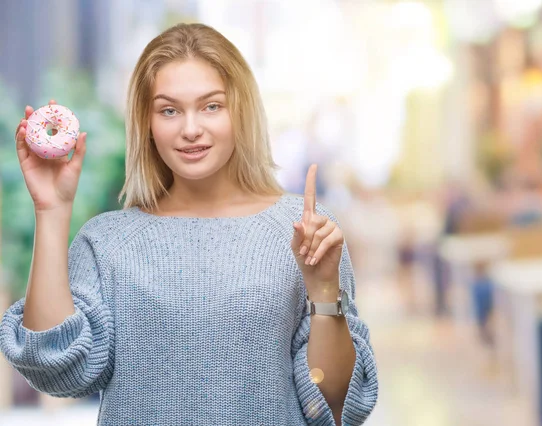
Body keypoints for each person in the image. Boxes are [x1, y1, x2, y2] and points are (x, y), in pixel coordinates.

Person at [0, 23, 378, 425]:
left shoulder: (305, 230)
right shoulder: (107, 242)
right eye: (169, 110)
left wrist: (323, 290)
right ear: (147, 124)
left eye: (211, 106)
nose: (190, 129)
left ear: (241, 110)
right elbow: (55, 370)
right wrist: (52, 209)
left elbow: (335, 403)